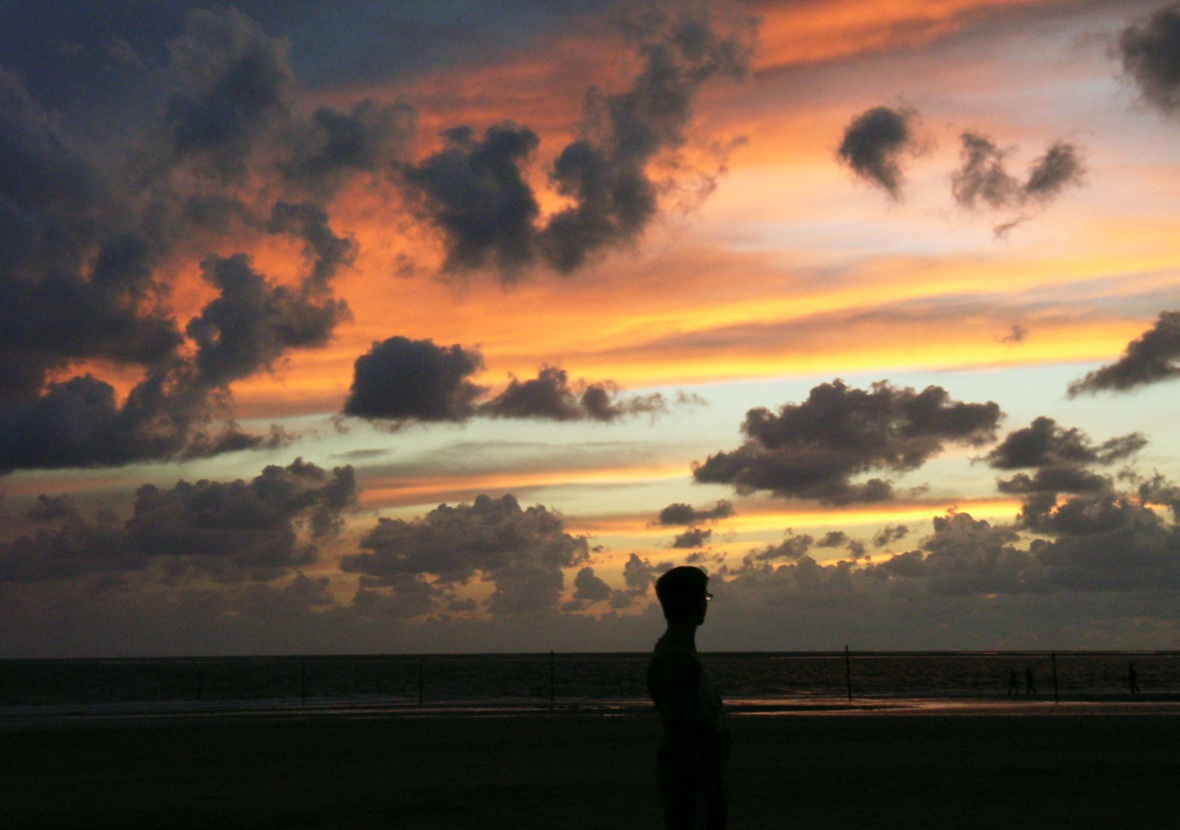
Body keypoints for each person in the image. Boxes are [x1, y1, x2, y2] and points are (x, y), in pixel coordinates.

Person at [647, 566, 730, 830]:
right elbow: (680, 731)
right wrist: (708, 788)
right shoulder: (676, 659)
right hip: (689, 786)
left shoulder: (682, 653)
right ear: (694, 603)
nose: (706, 605)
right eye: (704, 598)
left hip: (698, 781)